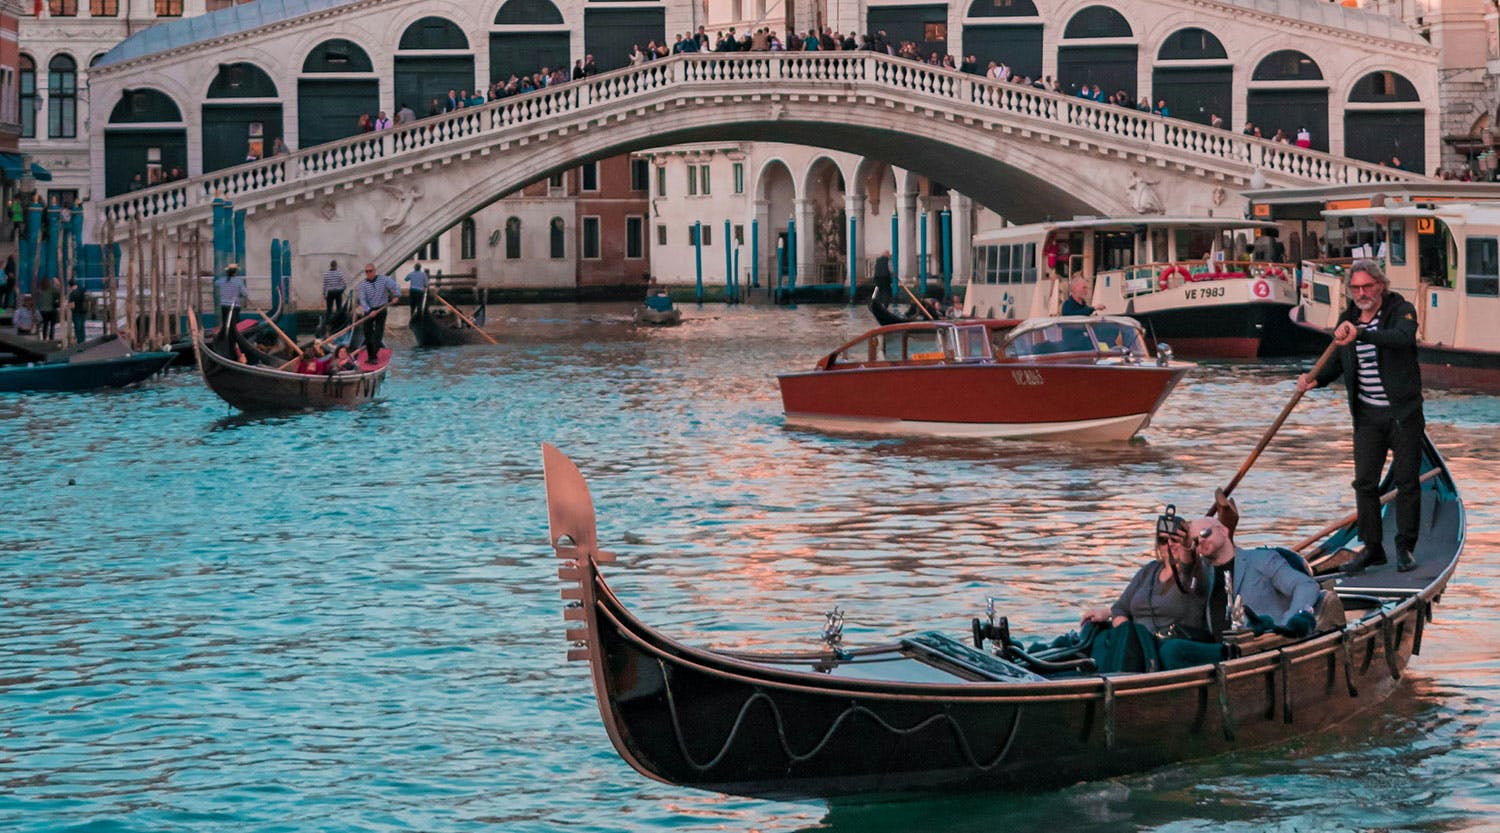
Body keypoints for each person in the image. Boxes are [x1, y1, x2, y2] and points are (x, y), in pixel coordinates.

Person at [1297, 259, 1424, 573]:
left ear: (1380, 285)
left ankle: (1405, 546)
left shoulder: (1401, 310)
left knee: (1407, 482)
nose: (1362, 292)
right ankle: (1372, 547)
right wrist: (1315, 378)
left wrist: (1361, 334)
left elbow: (1401, 338)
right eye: (1356, 288)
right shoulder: (1347, 319)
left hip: (1403, 415)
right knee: (1364, 483)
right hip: (1368, 416)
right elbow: (1339, 360)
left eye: (1368, 286)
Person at [1080, 507, 1211, 672]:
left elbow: (1188, 565)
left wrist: (1187, 549)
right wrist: (1127, 633)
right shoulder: (1149, 571)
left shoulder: (1196, 572)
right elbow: (1120, 608)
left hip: (1167, 643)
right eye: (1163, 540)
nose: (1169, 545)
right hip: (1135, 643)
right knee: (1094, 632)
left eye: (1175, 540)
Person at [1189, 517, 1320, 638]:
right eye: (1195, 540)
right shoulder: (1201, 575)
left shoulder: (1262, 559)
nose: (1201, 541)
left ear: (1224, 531)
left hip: (1266, 645)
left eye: (1205, 533)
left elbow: (1306, 586)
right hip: (1221, 652)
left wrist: (1288, 623)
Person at [355, 263, 400, 363]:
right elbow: (362, 300)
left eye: (370, 271)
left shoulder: (384, 279)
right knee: (367, 332)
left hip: (381, 308)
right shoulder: (363, 285)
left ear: (374, 271)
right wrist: (369, 310)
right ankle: (371, 355)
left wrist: (397, 295)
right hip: (369, 310)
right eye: (366, 271)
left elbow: (396, 286)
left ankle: (374, 356)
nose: (368, 273)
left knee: (378, 333)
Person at [217, 264, 247, 334]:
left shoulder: (221, 280)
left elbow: (216, 284)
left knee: (225, 323)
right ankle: (233, 339)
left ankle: (225, 335)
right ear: (235, 272)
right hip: (234, 306)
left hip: (223, 305)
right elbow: (245, 293)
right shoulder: (238, 281)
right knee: (235, 325)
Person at [322, 260, 346, 324]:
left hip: (330, 293)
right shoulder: (339, 273)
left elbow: (324, 285)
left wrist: (324, 294)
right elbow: (344, 284)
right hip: (338, 292)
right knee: (339, 308)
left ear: (330, 265)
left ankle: (328, 323)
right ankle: (339, 322)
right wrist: (342, 290)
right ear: (336, 266)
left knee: (329, 309)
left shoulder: (326, 274)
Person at [68, 279, 88, 343]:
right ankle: (83, 340)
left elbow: (72, 306)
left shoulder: (72, 294)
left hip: (76, 312)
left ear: (70, 286)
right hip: (83, 311)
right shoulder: (82, 289)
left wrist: (69, 307)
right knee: (82, 327)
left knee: (78, 328)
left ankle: (79, 342)